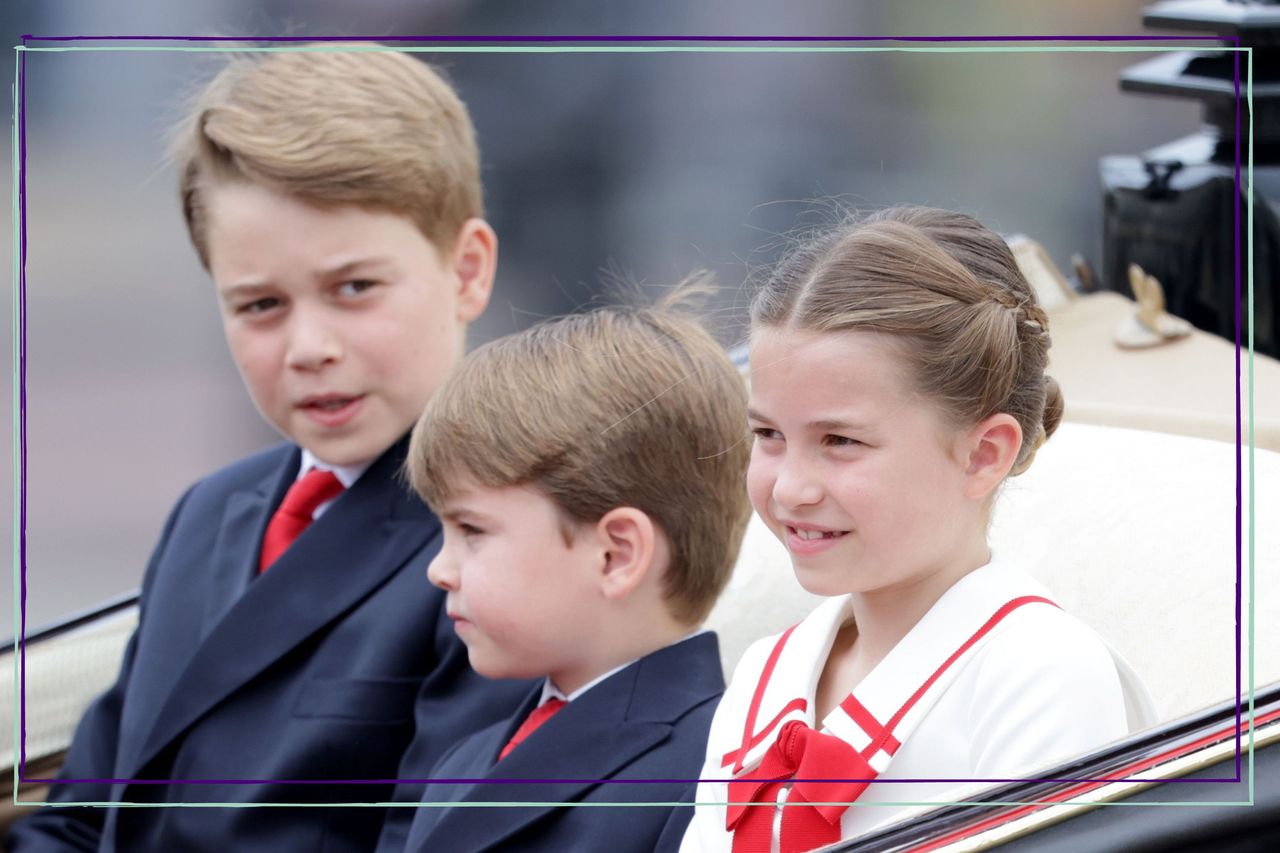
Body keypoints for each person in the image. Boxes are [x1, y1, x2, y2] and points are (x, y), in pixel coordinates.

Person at [8, 47, 531, 853]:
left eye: (354, 288)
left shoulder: (507, 541)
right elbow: (87, 815)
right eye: (260, 304)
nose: (308, 345)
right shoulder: (213, 512)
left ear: (466, 270)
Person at [680, 206, 1157, 852]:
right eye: (768, 433)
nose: (791, 486)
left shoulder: (1042, 676)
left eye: (840, 440)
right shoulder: (766, 675)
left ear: (983, 453)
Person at [384, 291, 752, 853]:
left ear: (616, 555)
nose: (439, 569)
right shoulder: (464, 760)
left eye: (472, 531)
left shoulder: (716, 775)